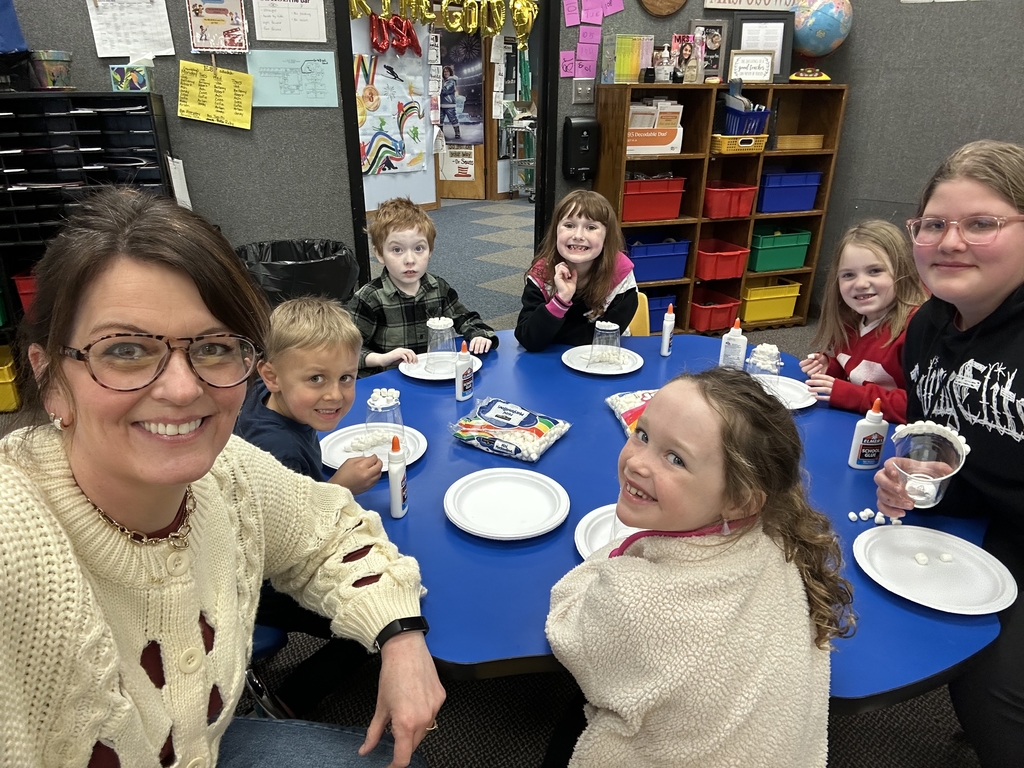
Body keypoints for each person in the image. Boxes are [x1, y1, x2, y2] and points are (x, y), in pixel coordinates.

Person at [0, 187, 444, 768]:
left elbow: (331, 529)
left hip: (210, 740)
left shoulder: (231, 473)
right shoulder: (17, 540)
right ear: (51, 377)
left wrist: (402, 635)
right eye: (127, 349)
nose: (183, 389)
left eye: (212, 348)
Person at [544, 367, 854, 767]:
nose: (638, 462)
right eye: (643, 434)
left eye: (675, 458)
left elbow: (567, 624)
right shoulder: (778, 542)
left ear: (741, 501)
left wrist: (612, 558)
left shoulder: (633, 601)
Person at [875, 139, 1024, 768]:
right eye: (933, 225)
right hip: (983, 521)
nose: (950, 241)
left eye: (982, 224)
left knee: (991, 686)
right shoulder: (931, 326)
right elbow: (950, 439)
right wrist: (929, 475)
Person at [233, 296, 383, 717]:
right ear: (272, 375)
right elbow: (294, 539)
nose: (336, 395)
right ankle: (291, 701)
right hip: (266, 583)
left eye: (347, 377)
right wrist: (339, 486)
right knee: (366, 620)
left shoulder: (265, 394)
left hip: (256, 554)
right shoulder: (277, 448)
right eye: (316, 379)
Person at [348, 196, 498, 377]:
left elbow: (465, 318)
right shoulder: (369, 298)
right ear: (379, 254)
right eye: (397, 250)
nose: (410, 260)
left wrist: (479, 335)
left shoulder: (438, 288)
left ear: (430, 251)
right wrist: (381, 358)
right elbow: (346, 351)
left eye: (419, 249)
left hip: (434, 375)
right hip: (389, 381)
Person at [799, 219, 927, 423]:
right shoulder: (849, 321)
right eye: (848, 275)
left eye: (875, 271)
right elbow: (859, 375)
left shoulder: (917, 329)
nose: (861, 284)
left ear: (902, 271)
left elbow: (920, 407)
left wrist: (849, 394)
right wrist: (831, 367)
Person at [515, 190, 638, 352]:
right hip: (549, 359)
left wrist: (554, 333)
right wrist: (561, 299)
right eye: (569, 225)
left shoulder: (620, 272)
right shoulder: (541, 273)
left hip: (602, 358)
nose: (578, 235)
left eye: (591, 227)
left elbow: (603, 339)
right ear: (556, 231)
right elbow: (528, 338)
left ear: (606, 236)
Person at [440, 66, 460, 140]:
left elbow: (444, 91)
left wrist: (438, 87)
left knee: (453, 119)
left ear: (450, 72)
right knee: (440, 120)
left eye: (447, 71)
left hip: (449, 104)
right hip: (441, 104)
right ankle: (441, 134)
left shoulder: (452, 81)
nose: (445, 73)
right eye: (444, 71)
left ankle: (457, 133)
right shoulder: (443, 81)